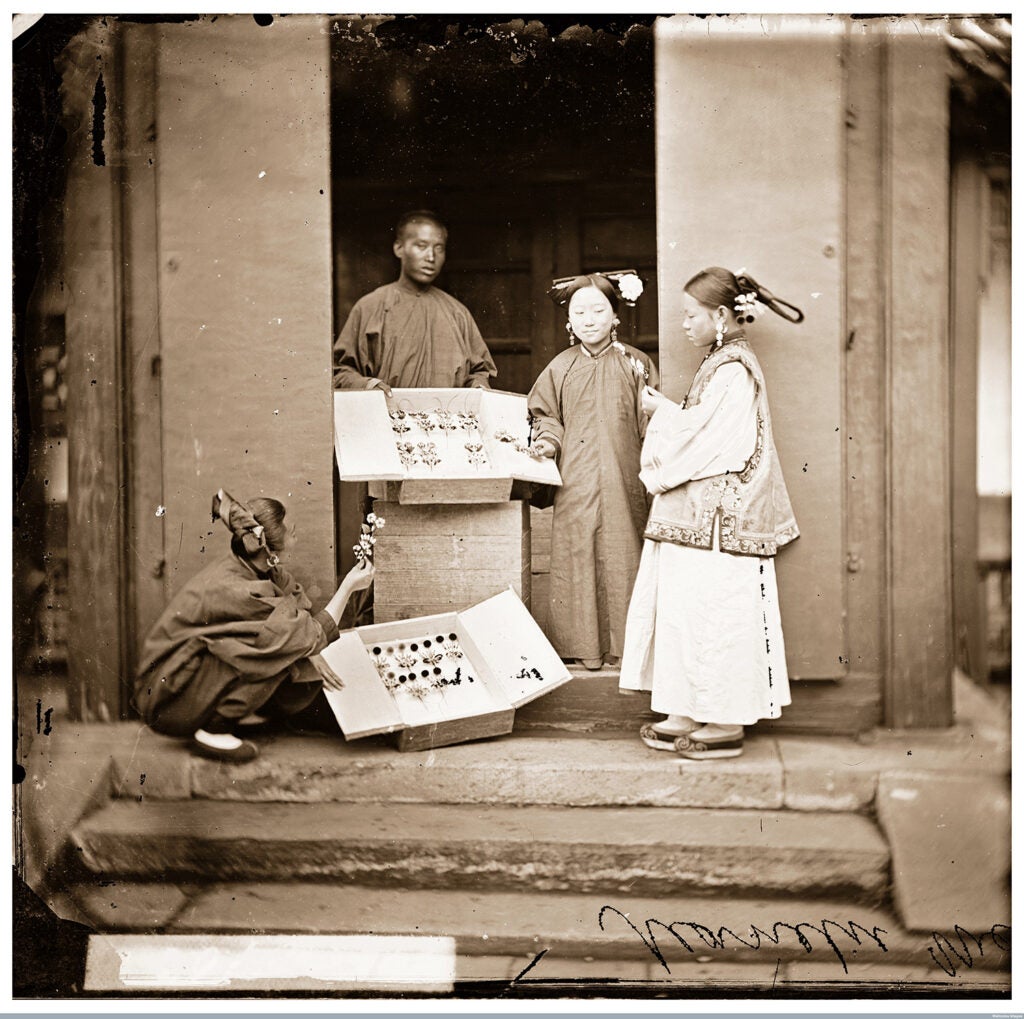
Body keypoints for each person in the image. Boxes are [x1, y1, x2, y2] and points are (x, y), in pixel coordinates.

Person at [619, 267, 804, 760]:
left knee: (720, 613)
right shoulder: (717, 363)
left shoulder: (734, 369)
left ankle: (723, 718)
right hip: (696, 513)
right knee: (682, 609)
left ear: (720, 315)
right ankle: (683, 706)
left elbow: (714, 441)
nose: (684, 323)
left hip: (722, 515)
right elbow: (700, 430)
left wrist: (662, 413)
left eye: (691, 315)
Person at [133, 489, 375, 762]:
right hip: (167, 698)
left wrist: (311, 647)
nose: (291, 528)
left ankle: (256, 713)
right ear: (268, 550)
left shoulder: (257, 566)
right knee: (276, 643)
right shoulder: (239, 589)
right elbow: (299, 632)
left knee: (287, 638)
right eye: (284, 527)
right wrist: (349, 587)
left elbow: (294, 604)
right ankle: (214, 729)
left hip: (188, 678)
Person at [528, 270, 658, 670]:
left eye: (598, 310)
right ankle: (581, 648)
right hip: (578, 481)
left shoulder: (637, 364)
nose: (588, 319)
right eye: (578, 311)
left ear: (615, 316)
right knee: (576, 555)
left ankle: (629, 650)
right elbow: (546, 416)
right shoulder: (559, 368)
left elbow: (652, 422)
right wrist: (547, 442)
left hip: (625, 479)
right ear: (568, 321)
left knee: (625, 554)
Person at [332, 209, 497, 393]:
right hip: (386, 417)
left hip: (449, 419)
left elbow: (479, 373)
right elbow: (341, 371)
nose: (431, 257)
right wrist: (369, 386)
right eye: (421, 246)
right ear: (399, 248)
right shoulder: (370, 307)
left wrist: (478, 386)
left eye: (439, 248)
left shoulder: (458, 313)